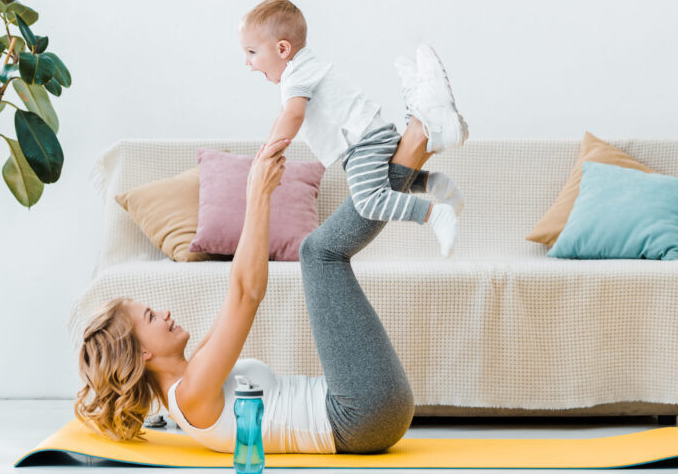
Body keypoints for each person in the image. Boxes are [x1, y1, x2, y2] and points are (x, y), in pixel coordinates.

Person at [75, 110, 455, 454]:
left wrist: (259, 184)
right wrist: (257, 193)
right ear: (142, 354)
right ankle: (420, 136)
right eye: (151, 317)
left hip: (365, 410)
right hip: (360, 414)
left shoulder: (192, 380)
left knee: (319, 252)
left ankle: (420, 140)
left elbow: (233, 295)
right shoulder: (191, 395)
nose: (165, 312)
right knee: (319, 255)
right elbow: (246, 295)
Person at [239, 0, 467, 258]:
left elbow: (292, 116)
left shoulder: (295, 76)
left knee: (369, 200)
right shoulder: (303, 68)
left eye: (252, 52)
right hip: (372, 132)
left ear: (282, 49)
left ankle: (435, 215)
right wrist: (268, 147)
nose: (248, 62)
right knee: (385, 181)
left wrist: (268, 154)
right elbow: (284, 115)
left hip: (362, 141)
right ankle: (433, 182)